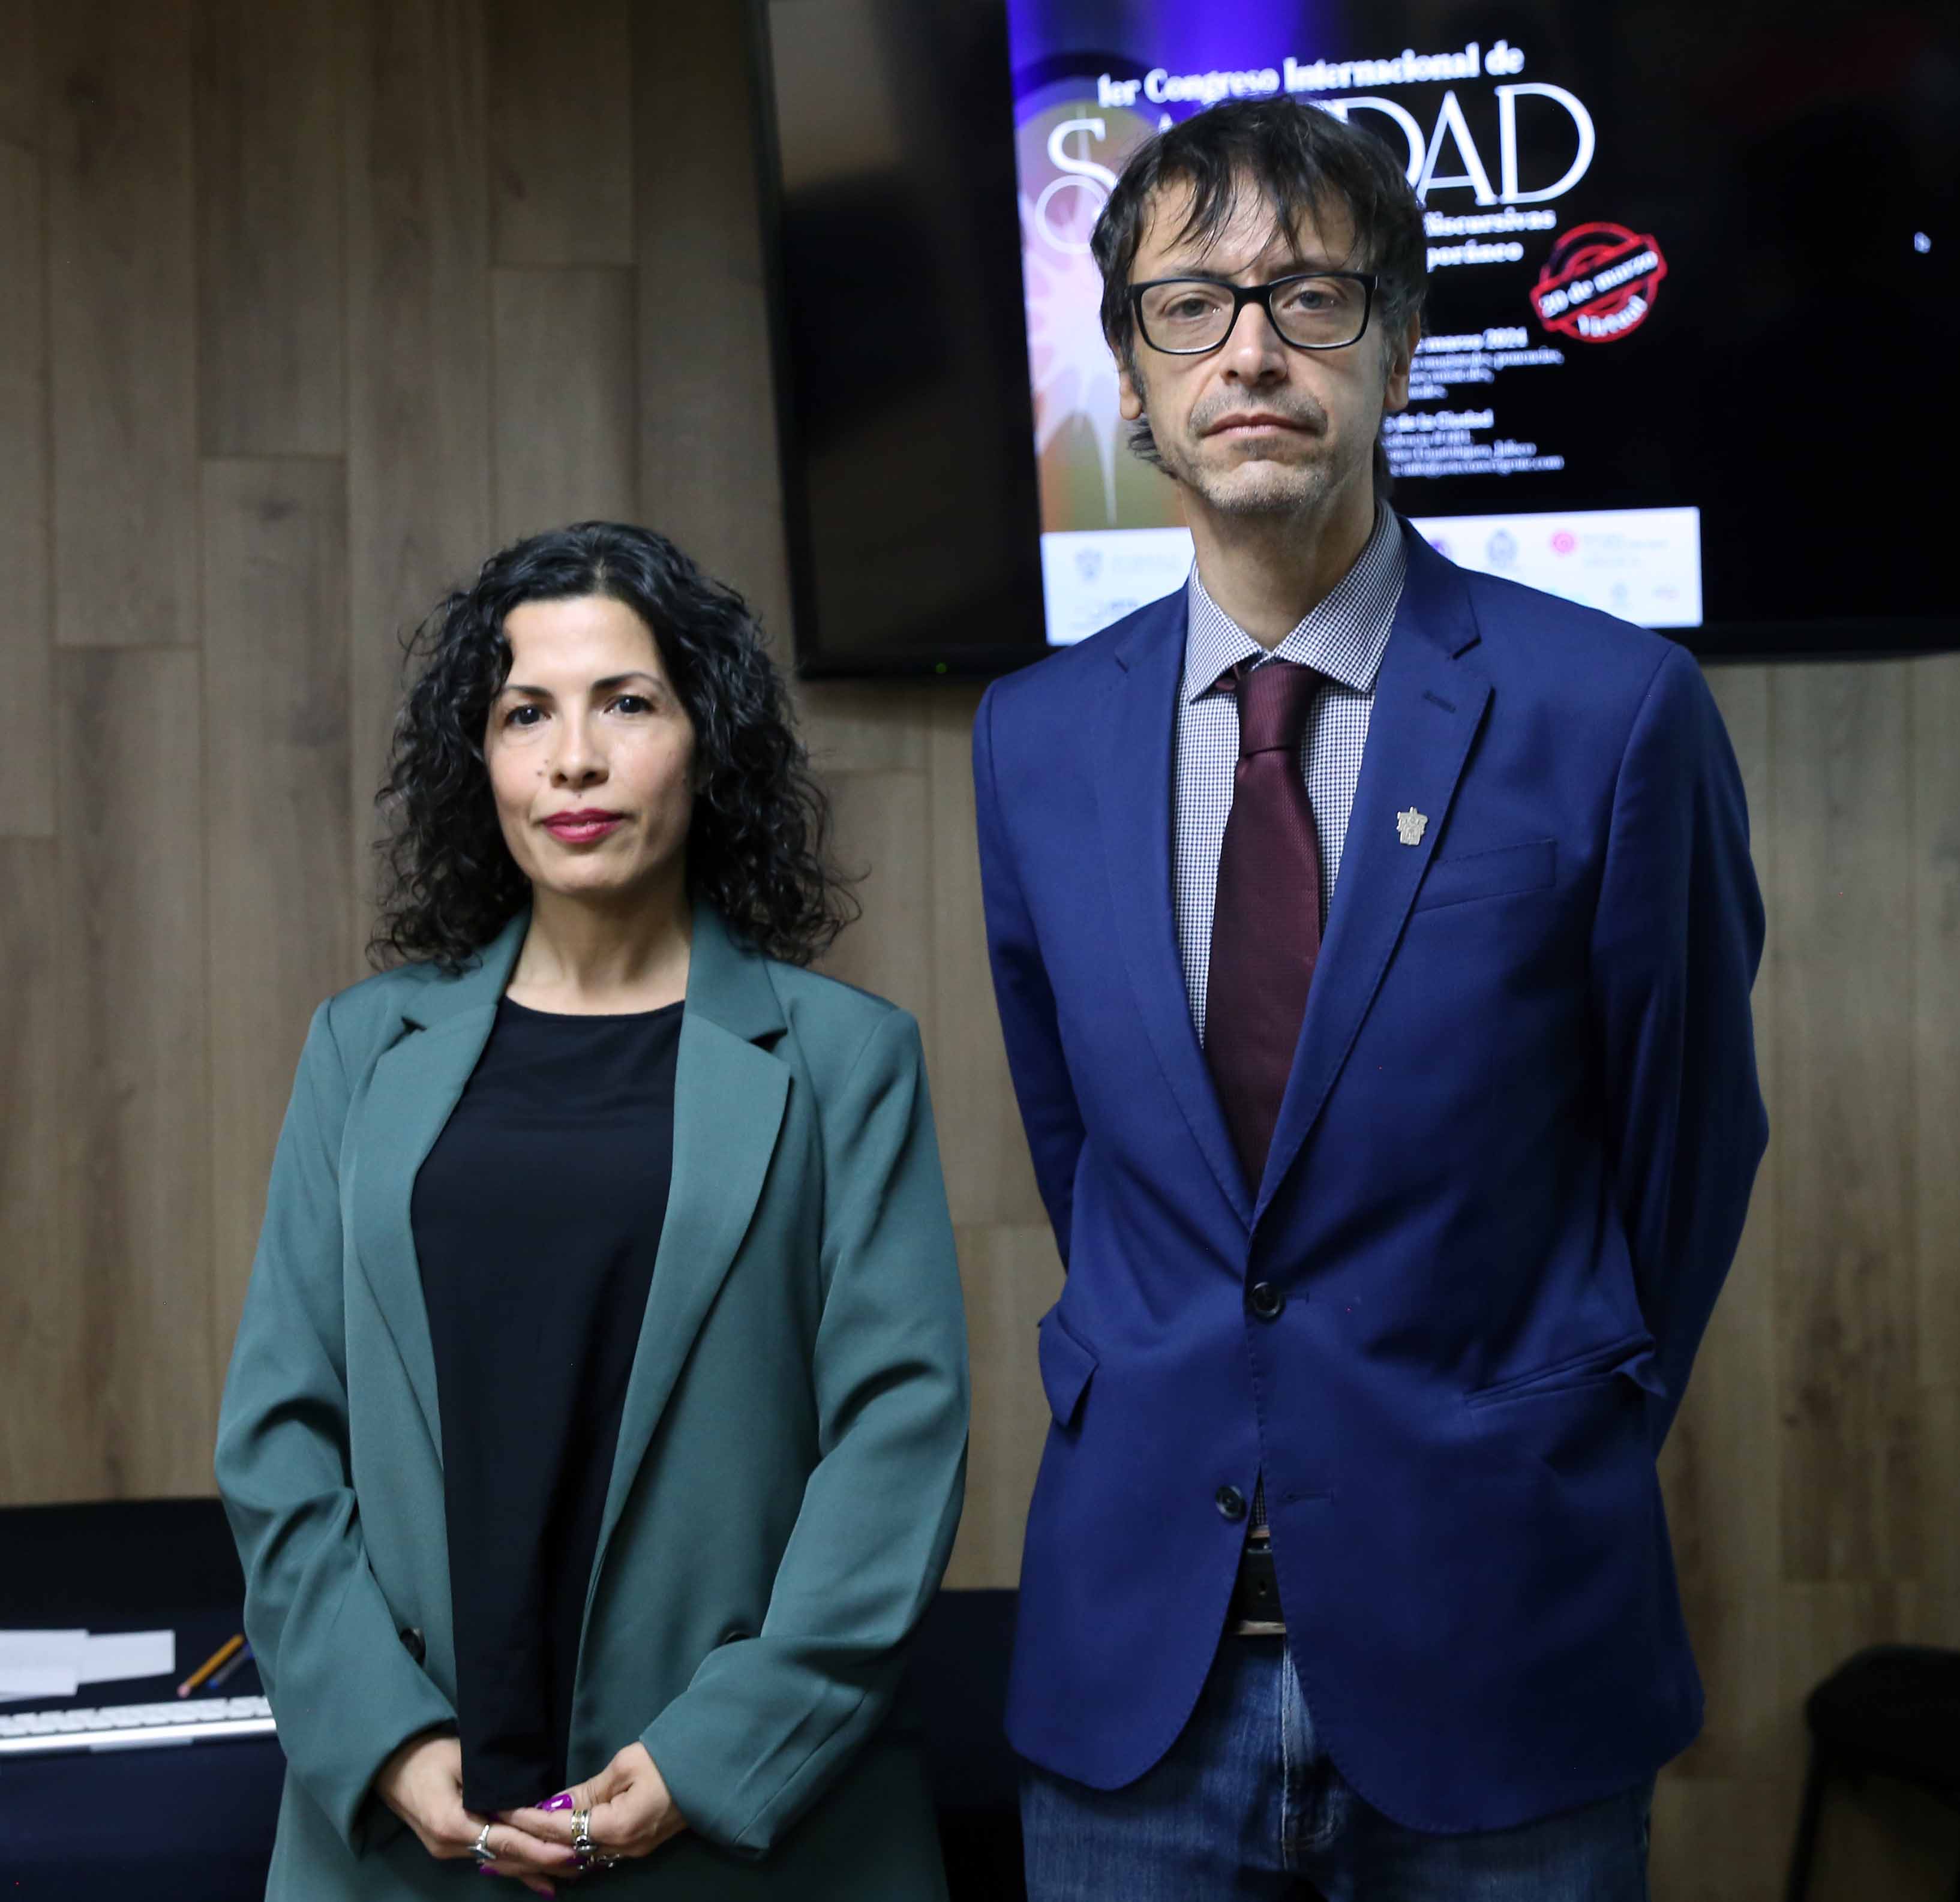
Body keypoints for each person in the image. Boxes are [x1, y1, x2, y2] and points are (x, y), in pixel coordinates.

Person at [973, 98, 1767, 1900]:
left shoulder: (1612, 712)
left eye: (1310, 297)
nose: (1249, 349)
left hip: (1501, 1639)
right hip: (1137, 1674)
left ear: (1399, 349)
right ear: (1132, 376)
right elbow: (1093, 1162)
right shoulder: (1033, 739)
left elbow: (1687, 1153)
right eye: (1190, 306)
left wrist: (1537, 1430)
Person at [217, 522, 969, 1899]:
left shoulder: (845, 1059)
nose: (573, 757)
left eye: (625, 702)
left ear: (707, 741)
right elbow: (279, 1432)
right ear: (480, 758)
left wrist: (716, 1752)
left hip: (749, 1827)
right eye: (526, 713)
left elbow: (895, 1439)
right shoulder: (360, 1048)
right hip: (404, 1829)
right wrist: (382, 1736)